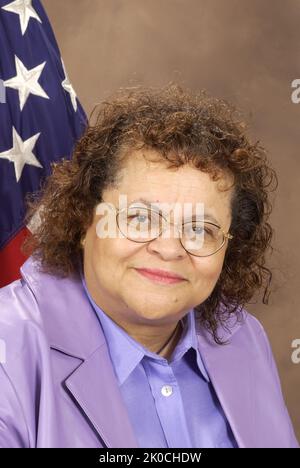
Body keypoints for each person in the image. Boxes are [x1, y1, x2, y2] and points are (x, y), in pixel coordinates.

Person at [0, 84, 298, 448]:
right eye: (140, 218)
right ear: (83, 219)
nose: (169, 249)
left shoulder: (243, 336)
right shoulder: (9, 348)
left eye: (200, 229)